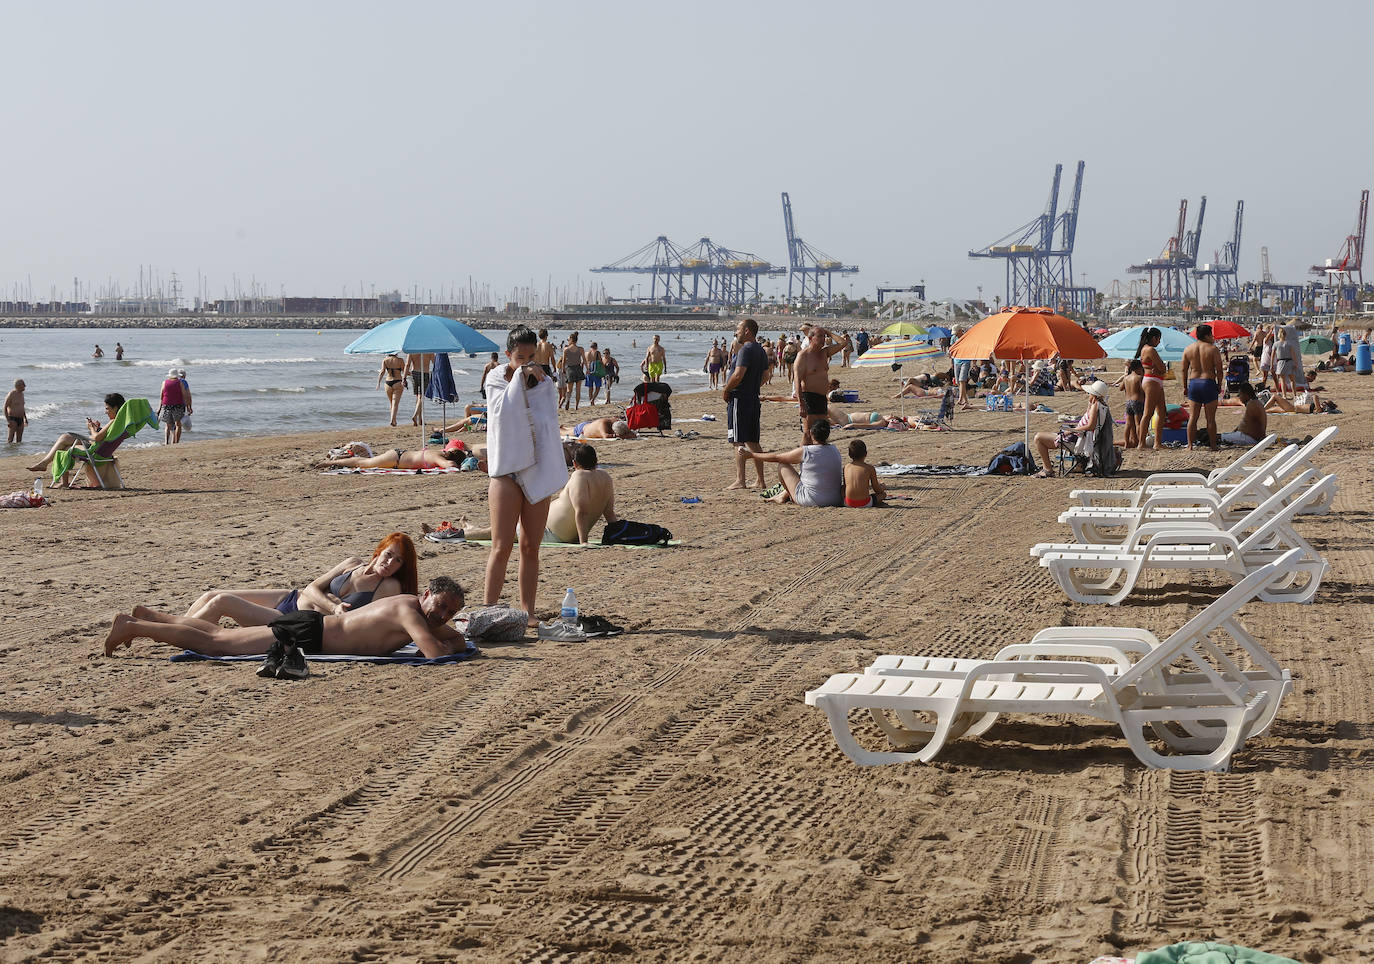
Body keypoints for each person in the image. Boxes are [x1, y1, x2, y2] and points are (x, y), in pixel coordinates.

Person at [104, 576, 467, 661]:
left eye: (450, 612)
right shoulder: (410, 611)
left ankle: (151, 616)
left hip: (310, 630)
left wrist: (454, 637)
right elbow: (435, 653)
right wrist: (454, 641)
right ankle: (133, 628)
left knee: (217, 634)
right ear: (425, 595)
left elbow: (446, 638)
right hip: (307, 634)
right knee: (215, 644)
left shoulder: (415, 609)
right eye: (440, 605)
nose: (442, 614)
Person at [485, 325, 568, 626]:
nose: (527, 362)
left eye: (531, 356)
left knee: (531, 545)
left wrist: (536, 380)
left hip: (536, 467)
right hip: (506, 470)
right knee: (501, 545)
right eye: (520, 357)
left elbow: (548, 422)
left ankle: (528, 611)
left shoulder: (543, 381)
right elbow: (501, 414)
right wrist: (520, 378)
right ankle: (488, 608)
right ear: (508, 354)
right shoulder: (496, 378)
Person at [183, 532, 419, 626]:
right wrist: (333, 604)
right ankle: (176, 625)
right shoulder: (352, 563)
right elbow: (312, 587)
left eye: (398, 561)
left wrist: (326, 603)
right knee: (211, 594)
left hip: (293, 618)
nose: (389, 564)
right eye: (388, 555)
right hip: (290, 597)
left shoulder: (389, 586)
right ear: (378, 552)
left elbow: (371, 620)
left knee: (222, 602)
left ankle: (186, 634)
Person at [432, 444, 619, 546]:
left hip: (550, 534)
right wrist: (617, 534)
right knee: (503, 527)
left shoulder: (579, 476)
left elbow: (582, 510)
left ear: (576, 463)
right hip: (555, 531)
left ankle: (457, 533)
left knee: (500, 531)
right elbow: (609, 514)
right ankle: (470, 527)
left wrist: (583, 542)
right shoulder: (606, 478)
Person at [26, 392, 126, 485]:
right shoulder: (122, 422)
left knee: (65, 446)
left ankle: (48, 467)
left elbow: (96, 438)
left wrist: (91, 428)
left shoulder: (113, 421)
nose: (105, 412)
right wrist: (97, 429)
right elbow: (104, 437)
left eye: (107, 408)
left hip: (95, 451)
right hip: (102, 449)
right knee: (64, 439)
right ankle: (45, 464)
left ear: (115, 408)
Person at [742, 418, 843, 506]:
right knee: (805, 473)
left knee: (782, 465)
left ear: (811, 434)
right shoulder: (834, 449)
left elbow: (777, 457)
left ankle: (786, 496)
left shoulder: (806, 451)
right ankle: (783, 495)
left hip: (812, 500)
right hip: (835, 499)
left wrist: (751, 455)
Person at [723, 317, 768, 490]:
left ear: (747, 331)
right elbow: (765, 376)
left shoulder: (745, 349)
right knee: (753, 441)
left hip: (739, 399)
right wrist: (752, 387)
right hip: (752, 398)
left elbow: (738, 374)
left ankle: (740, 480)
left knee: (738, 440)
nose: (736, 332)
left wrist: (726, 390)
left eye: (739, 329)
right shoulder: (760, 350)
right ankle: (760, 480)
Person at [1032, 380, 1109, 478]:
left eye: (1090, 393)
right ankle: (1079, 464)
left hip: (1079, 441)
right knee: (1051, 434)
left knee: (1038, 438)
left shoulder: (1096, 406)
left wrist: (1069, 431)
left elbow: (1091, 426)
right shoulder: (1102, 406)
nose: (1088, 395)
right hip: (1084, 439)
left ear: (1094, 395)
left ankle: (1048, 469)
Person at [794, 325, 851, 444]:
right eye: (819, 336)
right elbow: (797, 381)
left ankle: (819, 459)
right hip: (808, 397)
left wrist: (828, 332)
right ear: (810, 338)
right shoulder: (803, 356)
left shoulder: (824, 353)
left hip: (822, 398)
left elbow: (843, 343)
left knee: (823, 431)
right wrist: (801, 404)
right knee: (808, 433)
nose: (823, 339)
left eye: (824, 336)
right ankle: (804, 459)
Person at [1181, 322, 1224, 451]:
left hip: (1194, 383)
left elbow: (1183, 370)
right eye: (1211, 334)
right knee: (1210, 419)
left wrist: (1185, 386)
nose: (1213, 337)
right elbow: (1219, 369)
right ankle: (1213, 445)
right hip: (1208, 382)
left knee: (1193, 417)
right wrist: (1219, 384)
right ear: (1206, 336)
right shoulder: (1212, 349)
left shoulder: (1188, 349)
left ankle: (1189, 445)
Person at [1134, 327, 1166, 451]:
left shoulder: (1144, 349)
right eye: (1158, 339)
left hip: (1153, 380)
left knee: (1161, 412)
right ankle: (1142, 443)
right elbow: (1162, 368)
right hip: (1152, 381)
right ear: (1154, 338)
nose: (1159, 342)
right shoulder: (1150, 350)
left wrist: (1160, 368)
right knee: (1148, 413)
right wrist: (1162, 367)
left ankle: (1156, 443)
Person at [319, 445, 465, 470]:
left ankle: (337, 460)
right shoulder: (438, 457)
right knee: (363, 463)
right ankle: (330, 462)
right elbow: (449, 465)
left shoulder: (439, 453)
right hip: (396, 459)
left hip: (398, 456)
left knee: (364, 462)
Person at [1219, 382, 1268, 447]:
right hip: (1247, 436)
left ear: (1246, 395)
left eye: (1240, 395)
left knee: (1216, 437)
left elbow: (1256, 426)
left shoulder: (1252, 405)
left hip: (1248, 438)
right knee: (1221, 436)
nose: (1239, 398)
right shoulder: (1255, 403)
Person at [843, 439, 887, 508]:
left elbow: (845, 487)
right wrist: (882, 487)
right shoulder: (869, 468)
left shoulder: (846, 467)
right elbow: (876, 489)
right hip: (864, 503)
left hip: (848, 502)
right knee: (883, 495)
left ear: (849, 454)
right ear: (865, 454)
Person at [1113, 360, 1145, 449]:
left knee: (1128, 424)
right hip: (1137, 401)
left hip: (1128, 402)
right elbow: (1143, 390)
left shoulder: (1126, 378)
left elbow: (1120, 388)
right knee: (1138, 423)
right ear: (1139, 368)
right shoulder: (1139, 378)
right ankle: (1140, 443)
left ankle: (1126, 443)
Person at [159, 367, 188, 445]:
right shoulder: (180, 382)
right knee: (177, 424)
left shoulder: (164, 382)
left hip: (166, 405)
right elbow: (184, 395)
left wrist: (159, 408)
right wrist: (187, 406)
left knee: (167, 425)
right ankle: (175, 442)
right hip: (178, 405)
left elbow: (161, 396)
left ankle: (166, 442)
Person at [404, 352, 434, 425]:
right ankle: (415, 415)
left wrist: (403, 378)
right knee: (421, 397)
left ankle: (420, 420)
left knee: (418, 397)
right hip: (425, 373)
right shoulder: (429, 351)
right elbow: (435, 363)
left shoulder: (412, 351)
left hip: (414, 373)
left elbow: (407, 365)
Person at [559, 332, 587, 410]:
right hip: (578, 368)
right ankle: (576, 406)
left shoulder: (566, 349)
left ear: (571, 339)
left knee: (569, 389)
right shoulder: (580, 349)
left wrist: (563, 370)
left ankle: (568, 400)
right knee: (578, 390)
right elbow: (584, 360)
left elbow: (564, 361)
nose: (568, 341)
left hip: (570, 369)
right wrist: (587, 369)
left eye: (568, 339)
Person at [378, 353, 406, 426]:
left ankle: (393, 420)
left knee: (391, 403)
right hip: (398, 382)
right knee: (395, 404)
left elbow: (382, 372)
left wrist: (378, 383)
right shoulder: (400, 360)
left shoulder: (385, 360)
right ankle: (392, 420)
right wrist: (412, 374)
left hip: (387, 383)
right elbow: (404, 371)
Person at [563, 416, 636, 439]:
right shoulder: (603, 425)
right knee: (562, 432)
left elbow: (632, 434)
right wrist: (621, 436)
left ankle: (566, 427)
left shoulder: (616, 422)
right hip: (581, 430)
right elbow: (606, 436)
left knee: (568, 429)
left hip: (589, 425)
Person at [4, 379, 27, 444]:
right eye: (23, 384)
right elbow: (5, 407)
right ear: (18, 386)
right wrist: (8, 421)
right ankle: (8, 453)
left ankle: (18, 454)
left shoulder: (22, 394)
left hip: (21, 419)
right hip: (13, 419)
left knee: (19, 441)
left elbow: (22, 407)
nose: (25, 386)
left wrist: (25, 418)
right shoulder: (11, 394)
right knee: (10, 439)